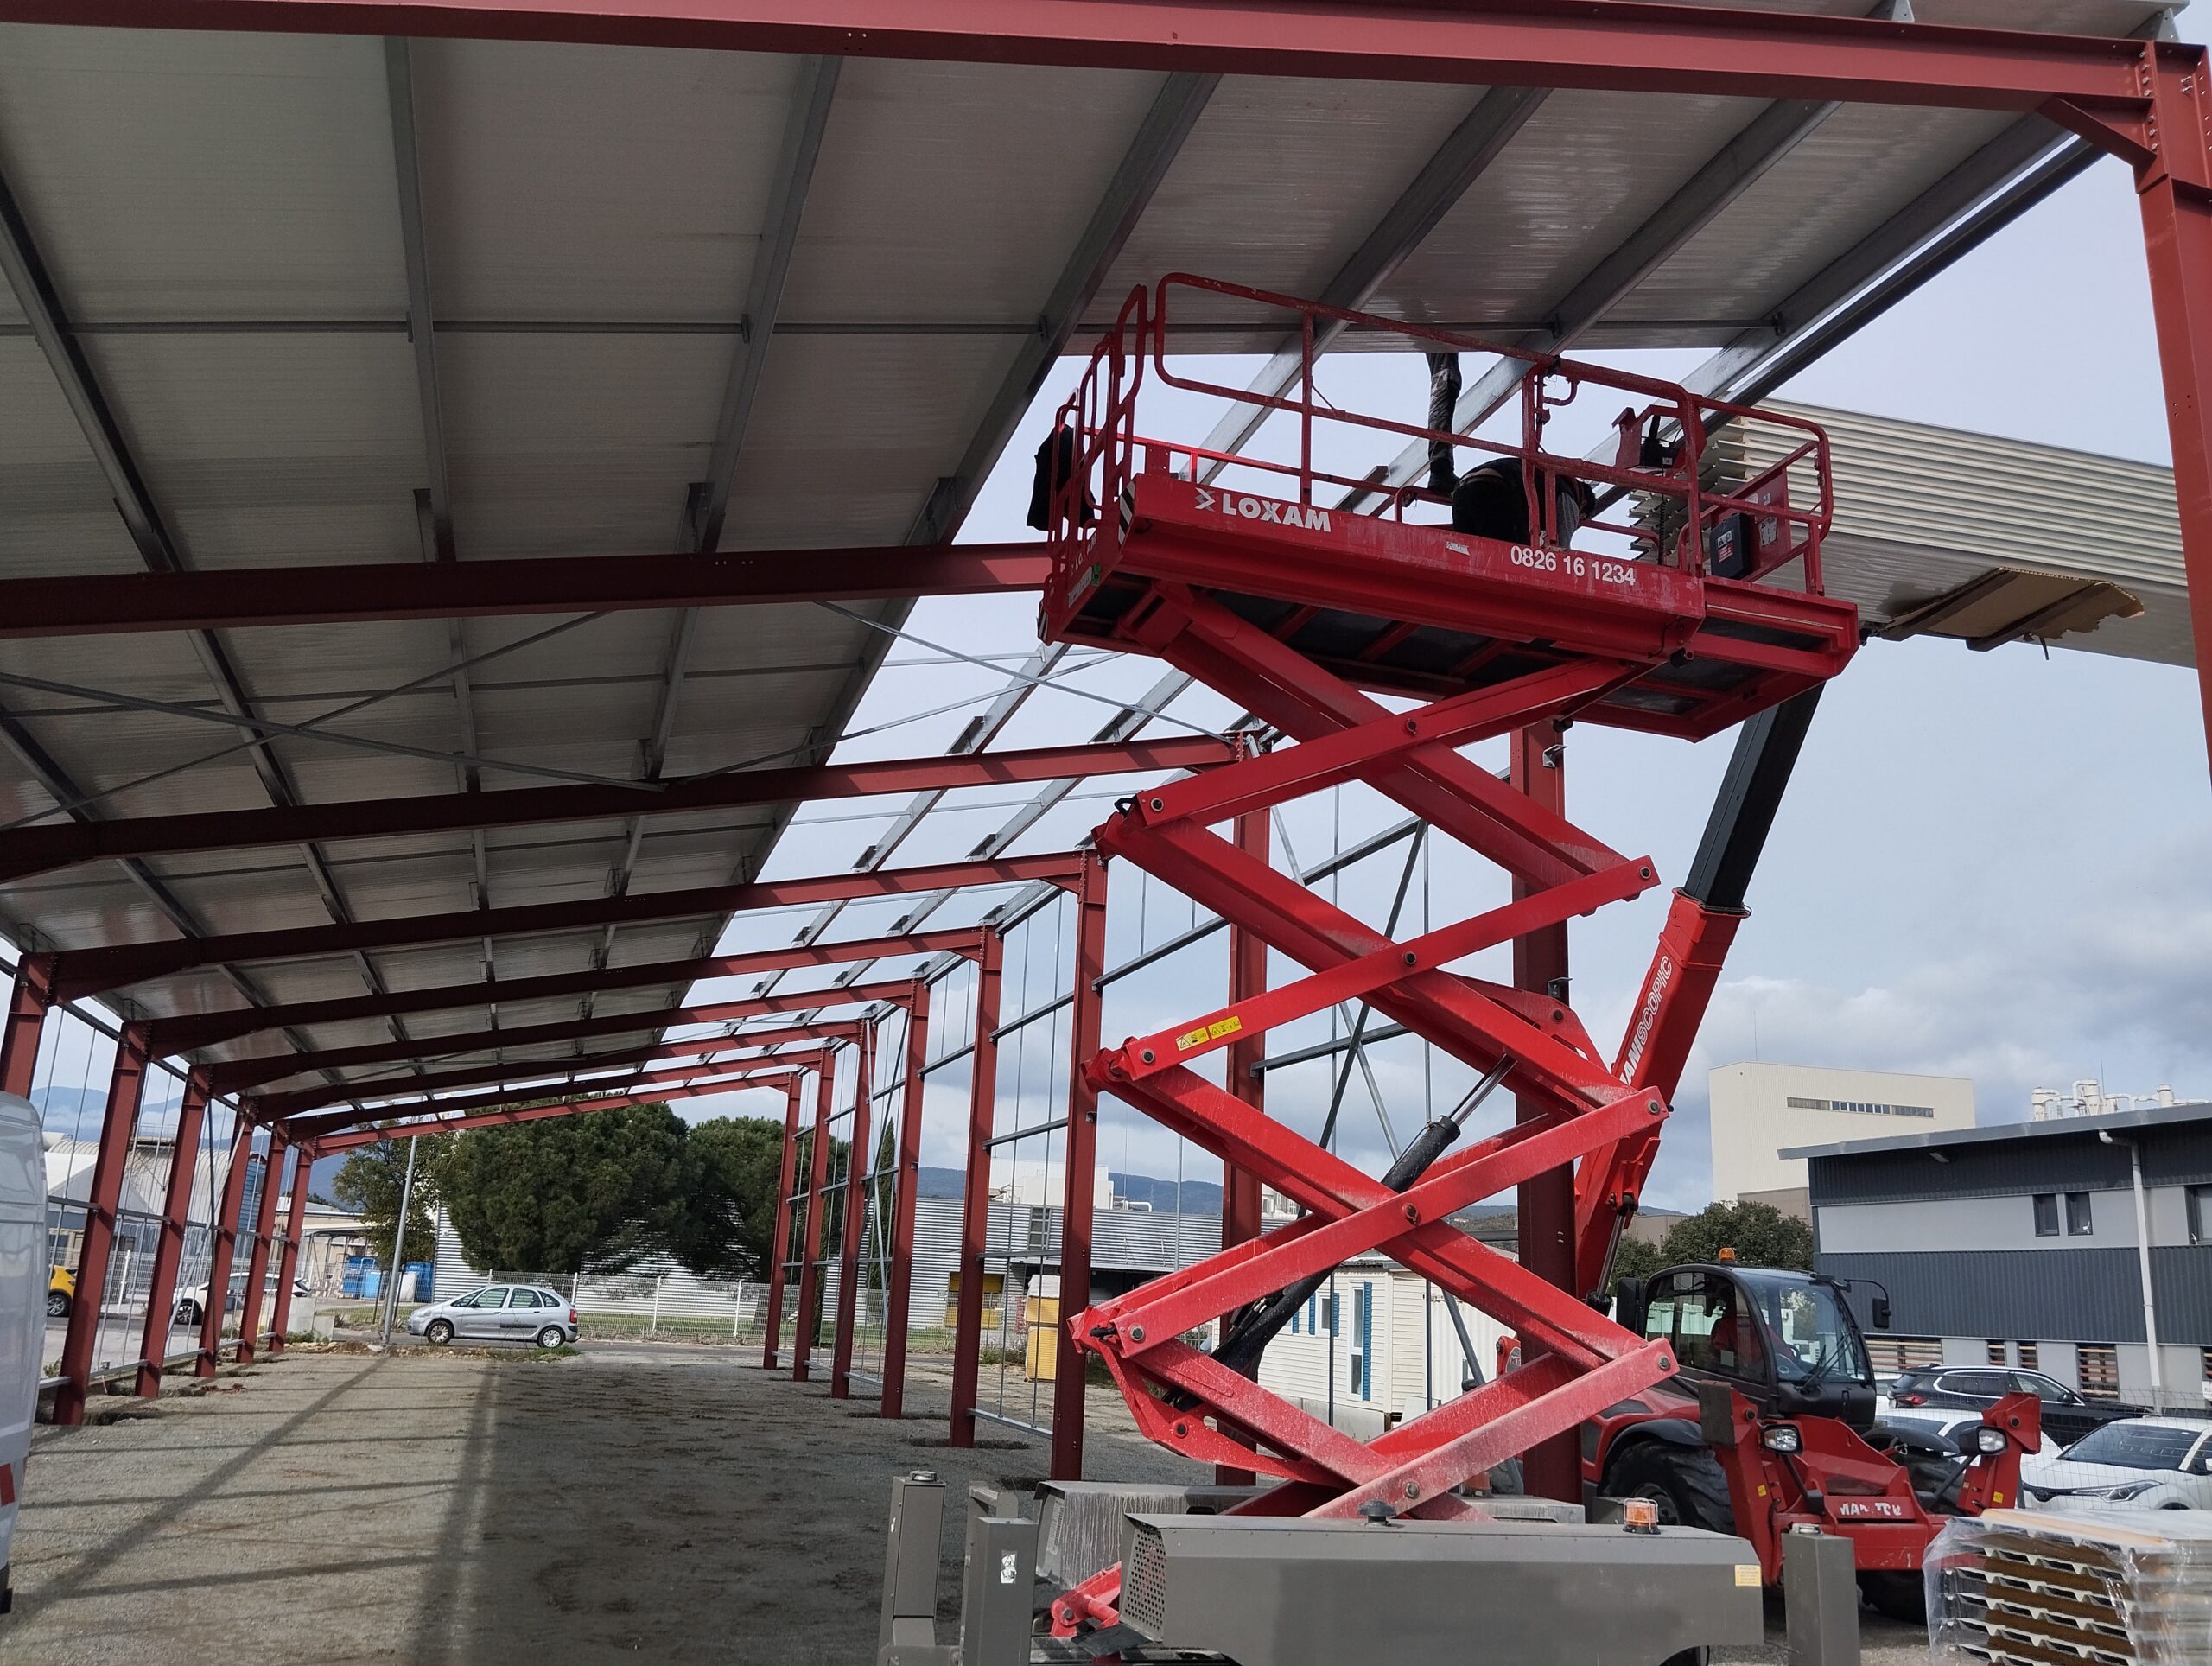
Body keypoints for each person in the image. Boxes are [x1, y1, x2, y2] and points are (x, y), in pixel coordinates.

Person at [1423, 351, 1597, 544]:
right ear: (1582, 505)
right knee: (1513, 555)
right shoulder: (1567, 494)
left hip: (1465, 491)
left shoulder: (1545, 479)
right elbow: (1561, 551)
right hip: (1493, 493)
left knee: (1473, 558)